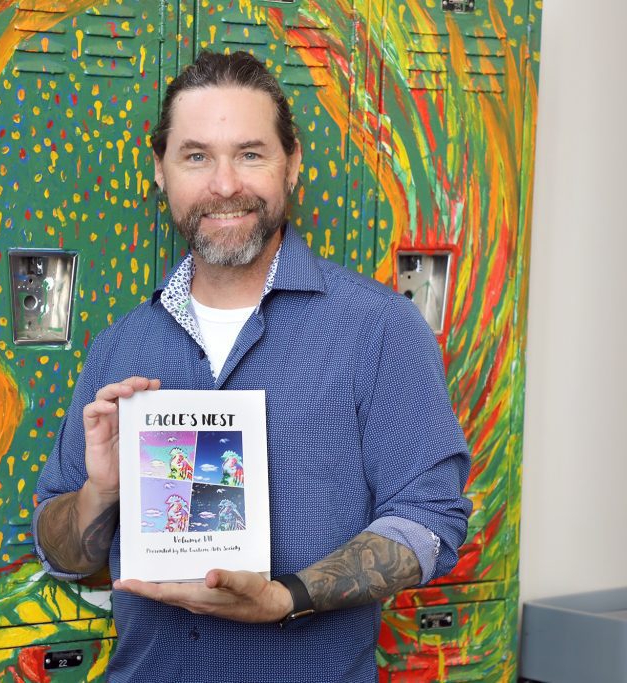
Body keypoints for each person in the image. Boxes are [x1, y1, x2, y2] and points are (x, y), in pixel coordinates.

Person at [32, 50, 471, 682]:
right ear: (160, 171)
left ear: (292, 164)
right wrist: (99, 495)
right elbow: (62, 555)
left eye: (250, 153)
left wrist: (285, 597)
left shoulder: (380, 328)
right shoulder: (120, 347)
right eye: (196, 156)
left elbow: (430, 522)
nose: (224, 184)